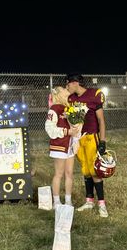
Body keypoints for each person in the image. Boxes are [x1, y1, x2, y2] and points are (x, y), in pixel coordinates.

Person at [65, 73, 108, 217]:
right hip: (78, 139)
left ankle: (101, 203)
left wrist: (102, 141)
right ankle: (89, 201)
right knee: (85, 170)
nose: (67, 86)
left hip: (91, 137)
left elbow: (101, 120)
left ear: (75, 83)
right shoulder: (70, 99)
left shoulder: (93, 95)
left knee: (95, 170)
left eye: (68, 84)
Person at [45, 86, 80, 208]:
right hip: (59, 146)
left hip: (70, 146)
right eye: (64, 89)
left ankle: (68, 200)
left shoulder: (69, 108)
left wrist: (76, 139)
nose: (67, 90)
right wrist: (66, 132)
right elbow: (49, 129)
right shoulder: (54, 109)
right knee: (59, 174)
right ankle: (56, 202)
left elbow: (75, 127)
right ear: (59, 94)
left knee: (69, 173)